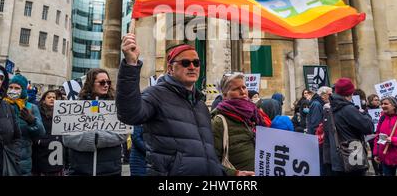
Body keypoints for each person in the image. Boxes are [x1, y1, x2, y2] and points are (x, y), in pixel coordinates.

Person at [116, 35, 244, 176]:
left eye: (196, 63)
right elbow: (129, 114)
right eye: (185, 63)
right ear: (170, 68)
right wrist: (130, 65)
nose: (192, 67)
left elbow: (208, 156)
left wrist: (233, 174)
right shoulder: (156, 95)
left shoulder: (201, 105)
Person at [63, 68, 126, 176]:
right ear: (91, 83)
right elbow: (67, 138)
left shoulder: (116, 105)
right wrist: (91, 138)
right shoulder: (75, 106)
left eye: (108, 82)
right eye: (102, 82)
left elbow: (122, 134)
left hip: (110, 168)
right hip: (81, 168)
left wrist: (99, 138)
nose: (106, 85)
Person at [211, 72, 270, 175]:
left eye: (244, 87)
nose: (243, 92)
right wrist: (235, 174)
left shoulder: (253, 116)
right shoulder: (219, 122)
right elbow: (210, 162)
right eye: (236, 89)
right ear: (225, 95)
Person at [323, 78, 374, 176]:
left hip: (337, 157)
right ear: (350, 93)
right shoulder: (348, 109)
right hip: (353, 156)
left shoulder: (330, 108)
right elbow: (369, 128)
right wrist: (364, 114)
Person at [4, 74, 45, 176]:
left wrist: (31, 121)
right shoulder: (1, 105)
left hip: (23, 162)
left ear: (23, 90)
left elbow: (41, 133)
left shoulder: (31, 107)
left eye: (17, 88)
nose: (13, 90)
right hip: (3, 158)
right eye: (11, 87)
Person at [32, 89, 65, 176]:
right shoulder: (37, 111)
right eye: (49, 97)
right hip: (41, 151)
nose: (52, 99)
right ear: (43, 100)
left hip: (56, 152)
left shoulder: (61, 112)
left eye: (54, 97)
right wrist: (39, 141)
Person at [367, 94, 383, 176]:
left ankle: (382, 169)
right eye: (375, 100)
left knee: (382, 150)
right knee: (374, 151)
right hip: (372, 135)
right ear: (370, 101)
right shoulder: (366, 110)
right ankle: (377, 171)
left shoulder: (382, 110)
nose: (377, 101)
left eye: (378, 99)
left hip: (381, 133)